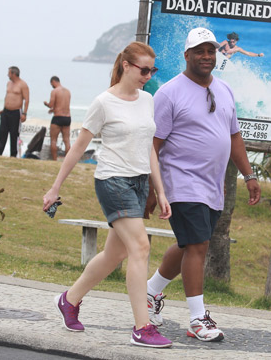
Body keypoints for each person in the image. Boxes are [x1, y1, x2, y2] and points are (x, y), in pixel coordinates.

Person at [42, 42, 173, 349]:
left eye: (152, 70)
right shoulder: (103, 102)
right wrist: (55, 187)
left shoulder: (148, 100)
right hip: (113, 182)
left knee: (117, 254)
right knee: (141, 247)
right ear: (126, 66)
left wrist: (161, 191)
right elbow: (77, 147)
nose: (148, 75)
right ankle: (142, 327)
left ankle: (69, 299)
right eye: (144, 69)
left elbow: (149, 150)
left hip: (139, 183)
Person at [144, 27, 261, 342]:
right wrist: (152, 188)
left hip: (212, 186)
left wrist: (248, 175)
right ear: (187, 55)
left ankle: (150, 293)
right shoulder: (169, 93)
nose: (206, 56)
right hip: (179, 181)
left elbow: (233, 136)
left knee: (188, 244)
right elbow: (153, 144)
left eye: (210, 50)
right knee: (198, 246)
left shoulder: (224, 90)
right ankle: (198, 318)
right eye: (199, 51)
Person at [0, 66, 29, 157]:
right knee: (2, 132)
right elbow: (7, 96)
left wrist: (24, 113)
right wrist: (3, 109)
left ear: (14, 74)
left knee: (14, 134)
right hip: (6, 112)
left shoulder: (23, 84)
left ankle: (13, 154)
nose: (7, 75)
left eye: (9, 73)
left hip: (15, 112)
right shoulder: (9, 83)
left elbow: (26, 100)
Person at [43, 76, 72, 160]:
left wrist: (46, 104)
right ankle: (67, 161)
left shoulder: (54, 91)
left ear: (53, 82)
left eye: (51, 84)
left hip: (58, 118)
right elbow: (63, 105)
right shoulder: (68, 91)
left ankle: (54, 160)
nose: (51, 85)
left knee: (53, 140)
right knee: (66, 140)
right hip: (67, 117)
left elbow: (51, 104)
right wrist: (53, 110)